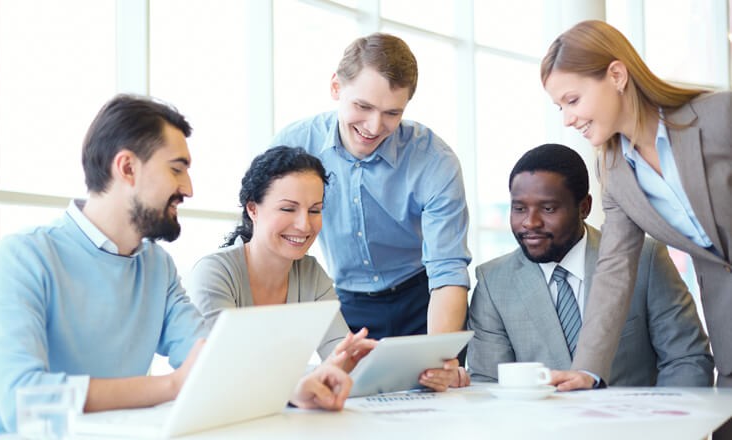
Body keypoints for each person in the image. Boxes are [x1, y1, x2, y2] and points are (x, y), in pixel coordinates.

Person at [0, 95, 351, 437]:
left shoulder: (156, 266)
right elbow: (22, 400)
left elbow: (211, 358)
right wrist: (170, 386)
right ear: (127, 168)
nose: (188, 188)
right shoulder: (24, 256)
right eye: (176, 169)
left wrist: (292, 388)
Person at [541, 19, 732, 393]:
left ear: (616, 75)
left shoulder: (719, 116)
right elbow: (614, 269)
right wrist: (587, 369)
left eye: (573, 100)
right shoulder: (615, 173)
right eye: (559, 106)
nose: (567, 119)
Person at [271, 33, 471, 388]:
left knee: (434, 402)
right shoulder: (295, 145)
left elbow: (447, 271)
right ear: (336, 87)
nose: (374, 127)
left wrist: (439, 356)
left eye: (392, 113)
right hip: (346, 305)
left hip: (423, 301)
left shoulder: (434, 160)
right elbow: (266, 240)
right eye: (363, 106)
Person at [466, 143, 714, 386]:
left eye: (548, 208)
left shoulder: (644, 259)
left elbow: (686, 360)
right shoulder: (492, 283)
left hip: (632, 414)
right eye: (519, 208)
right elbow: (488, 383)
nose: (530, 222)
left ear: (584, 207)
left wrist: (662, 415)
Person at [188, 146, 376, 374]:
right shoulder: (215, 273)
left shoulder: (311, 273)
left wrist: (364, 359)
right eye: (288, 209)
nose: (304, 225)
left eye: (314, 211)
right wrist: (315, 376)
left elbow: (340, 358)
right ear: (253, 209)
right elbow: (225, 369)